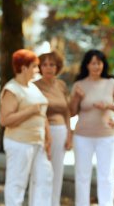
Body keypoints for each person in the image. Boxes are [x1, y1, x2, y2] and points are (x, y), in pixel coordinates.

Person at [0, 49, 53, 206]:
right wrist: (30, 110)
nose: (38, 70)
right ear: (23, 68)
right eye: (35, 67)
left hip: (38, 142)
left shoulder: (32, 87)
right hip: (19, 143)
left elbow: (41, 114)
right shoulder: (12, 89)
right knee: (17, 183)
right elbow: (5, 119)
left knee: (45, 179)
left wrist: (48, 138)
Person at [69, 49, 114, 206]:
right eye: (93, 63)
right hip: (82, 137)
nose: (96, 66)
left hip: (106, 136)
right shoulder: (79, 84)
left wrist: (111, 109)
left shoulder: (111, 83)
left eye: (99, 62)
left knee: (106, 175)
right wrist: (76, 98)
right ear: (87, 65)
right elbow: (71, 112)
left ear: (103, 65)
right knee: (82, 176)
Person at [34, 51, 72, 206]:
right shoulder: (35, 86)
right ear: (40, 67)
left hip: (61, 131)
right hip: (42, 134)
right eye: (45, 65)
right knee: (41, 174)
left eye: (52, 65)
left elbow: (67, 111)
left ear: (58, 67)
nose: (49, 68)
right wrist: (46, 137)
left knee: (57, 172)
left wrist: (70, 134)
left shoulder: (61, 85)